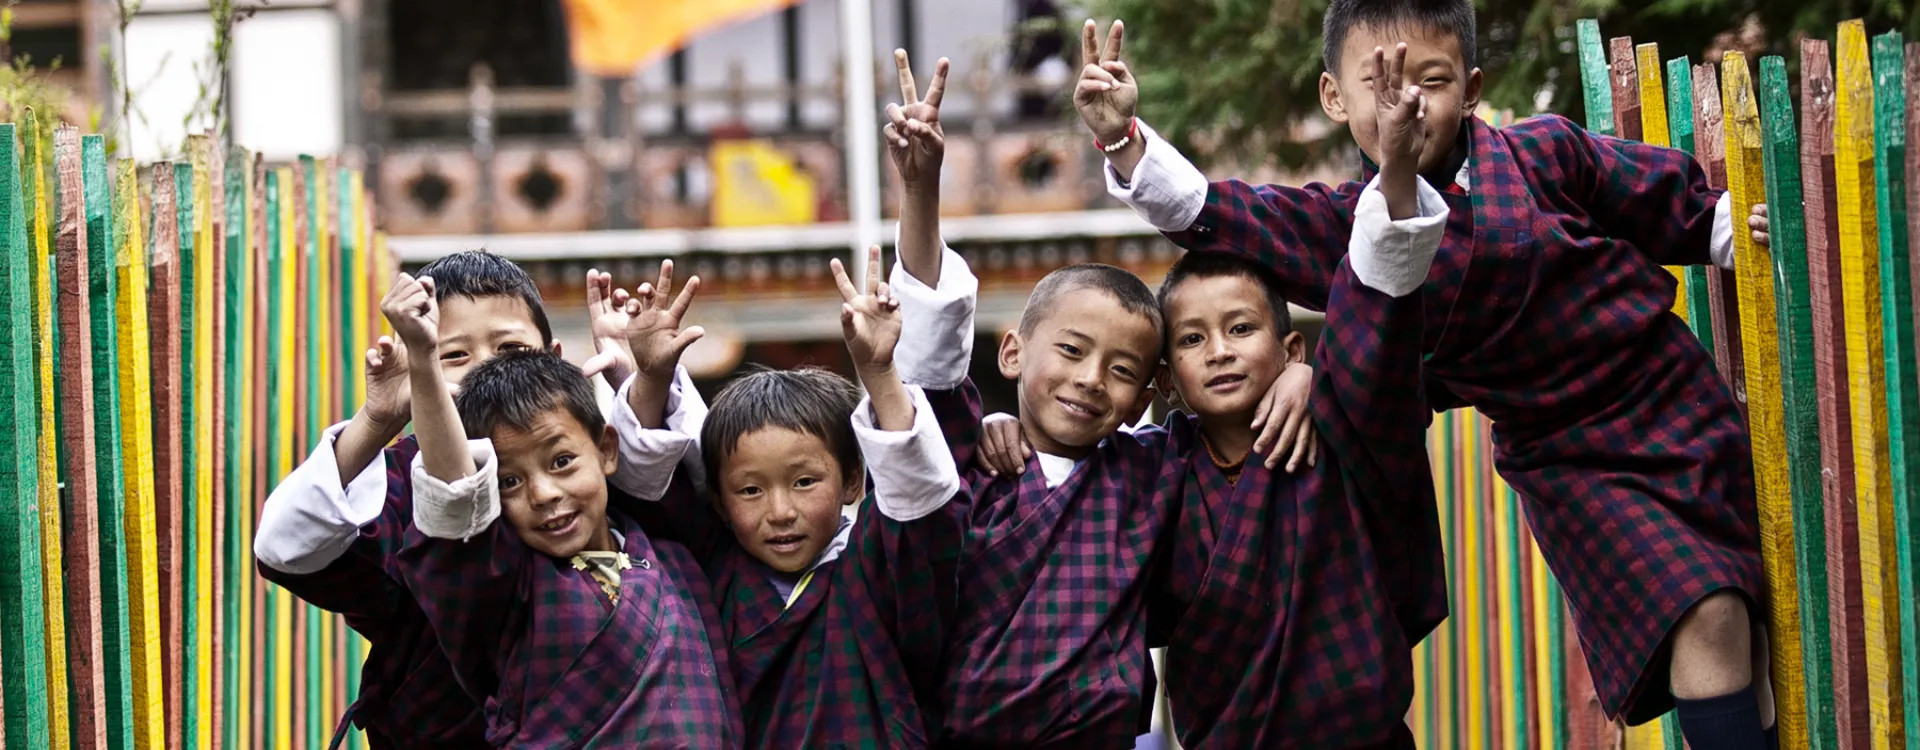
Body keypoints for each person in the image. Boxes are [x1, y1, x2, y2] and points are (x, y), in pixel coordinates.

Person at [1080, 5, 1776, 744]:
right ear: (1333, 98)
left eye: (1430, 81)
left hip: (1666, 393)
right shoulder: (1346, 225)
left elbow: (1639, 190)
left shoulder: (1543, 154)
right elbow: (1225, 214)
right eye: (1377, 84)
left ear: (1471, 89)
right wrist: (1124, 138)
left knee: (1742, 606)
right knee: (1704, 604)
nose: (1402, 104)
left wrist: (1714, 225)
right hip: (1565, 457)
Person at [976, 49, 1451, 745]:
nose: (1220, 350)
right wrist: (999, 423)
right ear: (1165, 379)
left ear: (1290, 348)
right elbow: (1064, 474)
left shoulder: (1345, 432)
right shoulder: (1148, 470)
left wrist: (1398, 172)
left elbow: (1382, 320)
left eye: (1240, 329)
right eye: (1192, 340)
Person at [880, 51, 1312, 749]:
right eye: (1072, 352)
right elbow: (928, 354)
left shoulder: (1148, 468)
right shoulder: (969, 462)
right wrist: (920, 188)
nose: (1088, 381)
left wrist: (1303, 377)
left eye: (1120, 370)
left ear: (1147, 393)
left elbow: (1228, 409)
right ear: (1014, 352)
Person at [602, 246, 969, 747]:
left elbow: (921, 512)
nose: (780, 513)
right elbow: (651, 493)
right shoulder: (710, 570)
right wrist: (651, 379)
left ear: (853, 480)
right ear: (718, 501)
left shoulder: (871, 566)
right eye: (750, 490)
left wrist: (880, 373)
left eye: (804, 482)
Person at [387, 267, 740, 747]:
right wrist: (425, 363)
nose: (545, 493)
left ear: (608, 450)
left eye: (562, 461)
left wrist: (649, 377)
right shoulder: (506, 586)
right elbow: (455, 496)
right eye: (509, 480)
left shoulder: (679, 557)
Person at [253, 250, 564, 748]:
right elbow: (285, 547)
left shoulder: (586, 465)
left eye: (510, 349)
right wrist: (377, 420)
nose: (484, 371)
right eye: (453, 356)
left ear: (553, 358)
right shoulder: (401, 484)